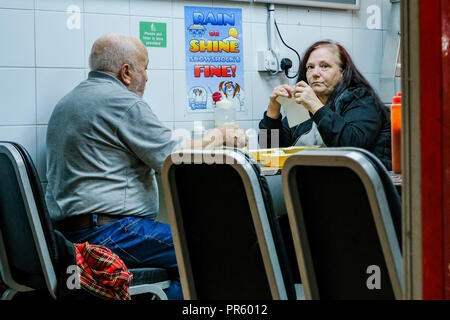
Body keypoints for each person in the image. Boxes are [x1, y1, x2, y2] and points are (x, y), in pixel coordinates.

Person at [45, 33, 247, 300]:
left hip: (68, 235)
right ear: (126, 71)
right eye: (145, 68)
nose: (148, 77)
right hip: (110, 232)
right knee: (208, 248)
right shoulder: (122, 102)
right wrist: (220, 135)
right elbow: (174, 156)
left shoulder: (68, 102)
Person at [259, 40, 392, 170]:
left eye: (324, 66)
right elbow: (269, 156)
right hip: (312, 183)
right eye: (310, 67)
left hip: (359, 184)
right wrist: (272, 112)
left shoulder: (361, 99)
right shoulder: (300, 106)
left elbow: (351, 147)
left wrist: (316, 106)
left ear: (342, 72)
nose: (315, 73)